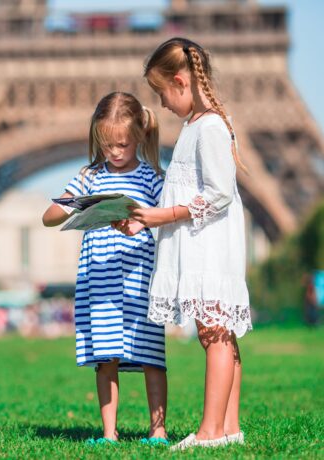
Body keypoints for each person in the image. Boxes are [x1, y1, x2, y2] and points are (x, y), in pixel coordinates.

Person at [117, 37, 252, 450]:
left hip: (208, 247)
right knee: (218, 333)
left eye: (161, 94)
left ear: (179, 81)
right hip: (201, 242)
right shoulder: (197, 125)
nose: (161, 104)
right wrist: (145, 223)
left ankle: (210, 432)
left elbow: (219, 193)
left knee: (214, 334)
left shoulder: (209, 126)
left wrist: (163, 216)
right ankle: (228, 429)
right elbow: (182, 192)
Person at [42, 92, 167, 446]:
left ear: (140, 137)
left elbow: (170, 217)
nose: (114, 152)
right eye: (106, 144)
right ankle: (108, 434)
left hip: (139, 277)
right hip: (101, 279)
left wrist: (143, 220)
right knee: (105, 356)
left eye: (122, 144)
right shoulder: (89, 176)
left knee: (151, 355)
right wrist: (75, 204)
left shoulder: (153, 178)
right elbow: (49, 217)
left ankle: (158, 430)